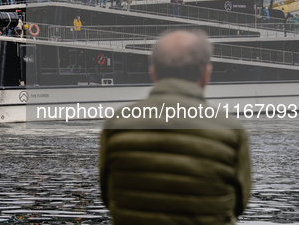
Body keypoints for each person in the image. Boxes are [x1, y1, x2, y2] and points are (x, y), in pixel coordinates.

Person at [100, 30, 251, 224]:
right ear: (206, 74)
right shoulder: (232, 131)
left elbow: (107, 197)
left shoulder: (116, 125)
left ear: (153, 73)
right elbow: (240, 205)